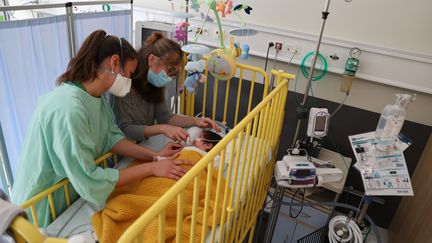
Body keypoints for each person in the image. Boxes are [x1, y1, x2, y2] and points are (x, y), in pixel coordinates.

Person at [11, 30, 191, 227]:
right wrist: (151, 168)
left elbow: (112, 138)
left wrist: (155, 156)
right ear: (114, 63)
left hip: (68, 195)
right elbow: (90, 179)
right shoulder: (69, 108)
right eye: (130, 75)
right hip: (40, 209)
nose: (130, 83)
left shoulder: (97, 99)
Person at [92, 129, 224, 242]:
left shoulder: (205, 159)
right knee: (140, 192)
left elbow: (211, 180)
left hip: (183, 179)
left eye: (199, 138)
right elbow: (159, 163)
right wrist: (158, 158)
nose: (193, 138)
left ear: (207, 145)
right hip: (160, 179)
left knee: (171, 201)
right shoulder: (181, 150)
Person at [113, 32, 219, 143]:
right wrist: (161, 128)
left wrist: (196, 121)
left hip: (142, 143)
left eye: (174, 74)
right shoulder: (124, 82)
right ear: (151, 60)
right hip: (124, 147)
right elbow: (125, 129)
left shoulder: (154, 83)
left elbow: (165, 117)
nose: (169, 78)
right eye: (170, 70)